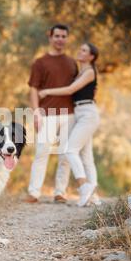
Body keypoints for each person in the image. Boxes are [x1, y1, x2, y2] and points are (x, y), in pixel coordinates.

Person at [38, 42, 101, 207]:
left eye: (84, 50)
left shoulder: (89, 72)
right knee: (87, 156)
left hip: (88, 113)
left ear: (91, 57)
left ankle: (84, 186)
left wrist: (47, 91)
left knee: (70, 150)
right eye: (80, 49)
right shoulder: (81, 72)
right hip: (79, 112)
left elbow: (70, 90)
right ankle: (93, 197)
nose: (80, 52)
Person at [25, 24, 78, 204]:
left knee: (65, 155)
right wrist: (36, 112)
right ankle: (34, 192)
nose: (60, 39)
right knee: (42, 152)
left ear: (67, 38)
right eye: (57, 36)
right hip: (46, 115)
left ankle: (60, 192)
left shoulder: (72, 62)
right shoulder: (40, 62)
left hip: (69, 115)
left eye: (64, 36)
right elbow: (33, 88)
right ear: (50, 37)